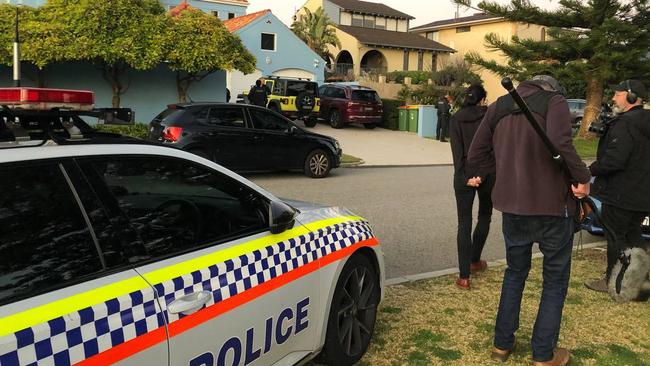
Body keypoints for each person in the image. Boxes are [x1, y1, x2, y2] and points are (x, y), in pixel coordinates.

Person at [468, 75, 591, 366]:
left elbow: (476, 154)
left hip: (512, 208)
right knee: (555, 281)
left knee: (515, 273)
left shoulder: (498, 106)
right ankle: (543, 354)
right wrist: (582, 178)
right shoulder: (555, 101)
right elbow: (562, 142)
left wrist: (505, 175)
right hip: (551, 208)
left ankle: (502, 344)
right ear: (552, 88)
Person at [584, 80, 650, 293]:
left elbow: (614, 160)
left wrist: (590, 170)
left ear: (631, 97)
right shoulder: (644, 121)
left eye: (617, 94)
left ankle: (613, 281)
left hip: (621, 193)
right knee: (633, 234)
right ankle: (641, 279)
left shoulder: (626, 123)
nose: (613, 98)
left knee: (615, 236)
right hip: (642, 194)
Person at [449, 84, 494, 290]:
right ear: (482, 99)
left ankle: (464, 276)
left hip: (464, 175)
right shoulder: (489, 116)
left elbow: (457, 154)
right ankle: (474, 260)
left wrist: (466, 177)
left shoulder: (456, 118)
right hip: (488, 174)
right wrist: (482, 175)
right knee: (485, 216)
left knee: (464, 223)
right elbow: (494, 148)